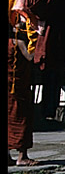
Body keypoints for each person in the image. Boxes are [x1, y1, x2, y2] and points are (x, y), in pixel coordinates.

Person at [8, 22, 38, 166]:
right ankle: (22, 157)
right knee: (22, 118)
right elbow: (30, 56)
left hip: (13, 87)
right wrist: (36, 43)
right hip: (17, 89)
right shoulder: (18, 40)